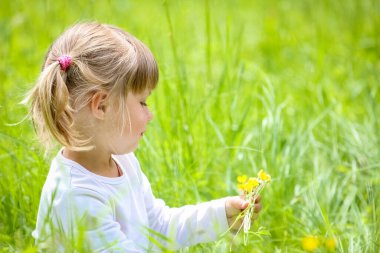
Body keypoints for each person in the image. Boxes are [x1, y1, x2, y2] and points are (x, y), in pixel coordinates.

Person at [27, 22, 261, 252]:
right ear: (101, 106)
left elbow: (158, 228)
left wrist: (220, 215)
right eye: (142, 102)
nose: (150, 114)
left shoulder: (122, 161)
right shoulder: (77, 196)